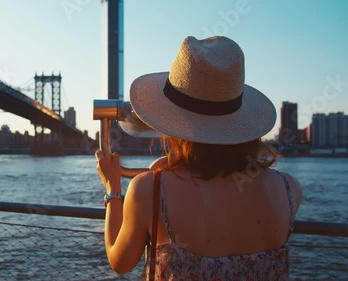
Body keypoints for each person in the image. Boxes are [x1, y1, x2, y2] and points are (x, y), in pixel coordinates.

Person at [95, 36, 302, 280]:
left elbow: (120, 262)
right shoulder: (288, 189)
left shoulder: (150, 190)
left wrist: (114, 191)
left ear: (174, 121)